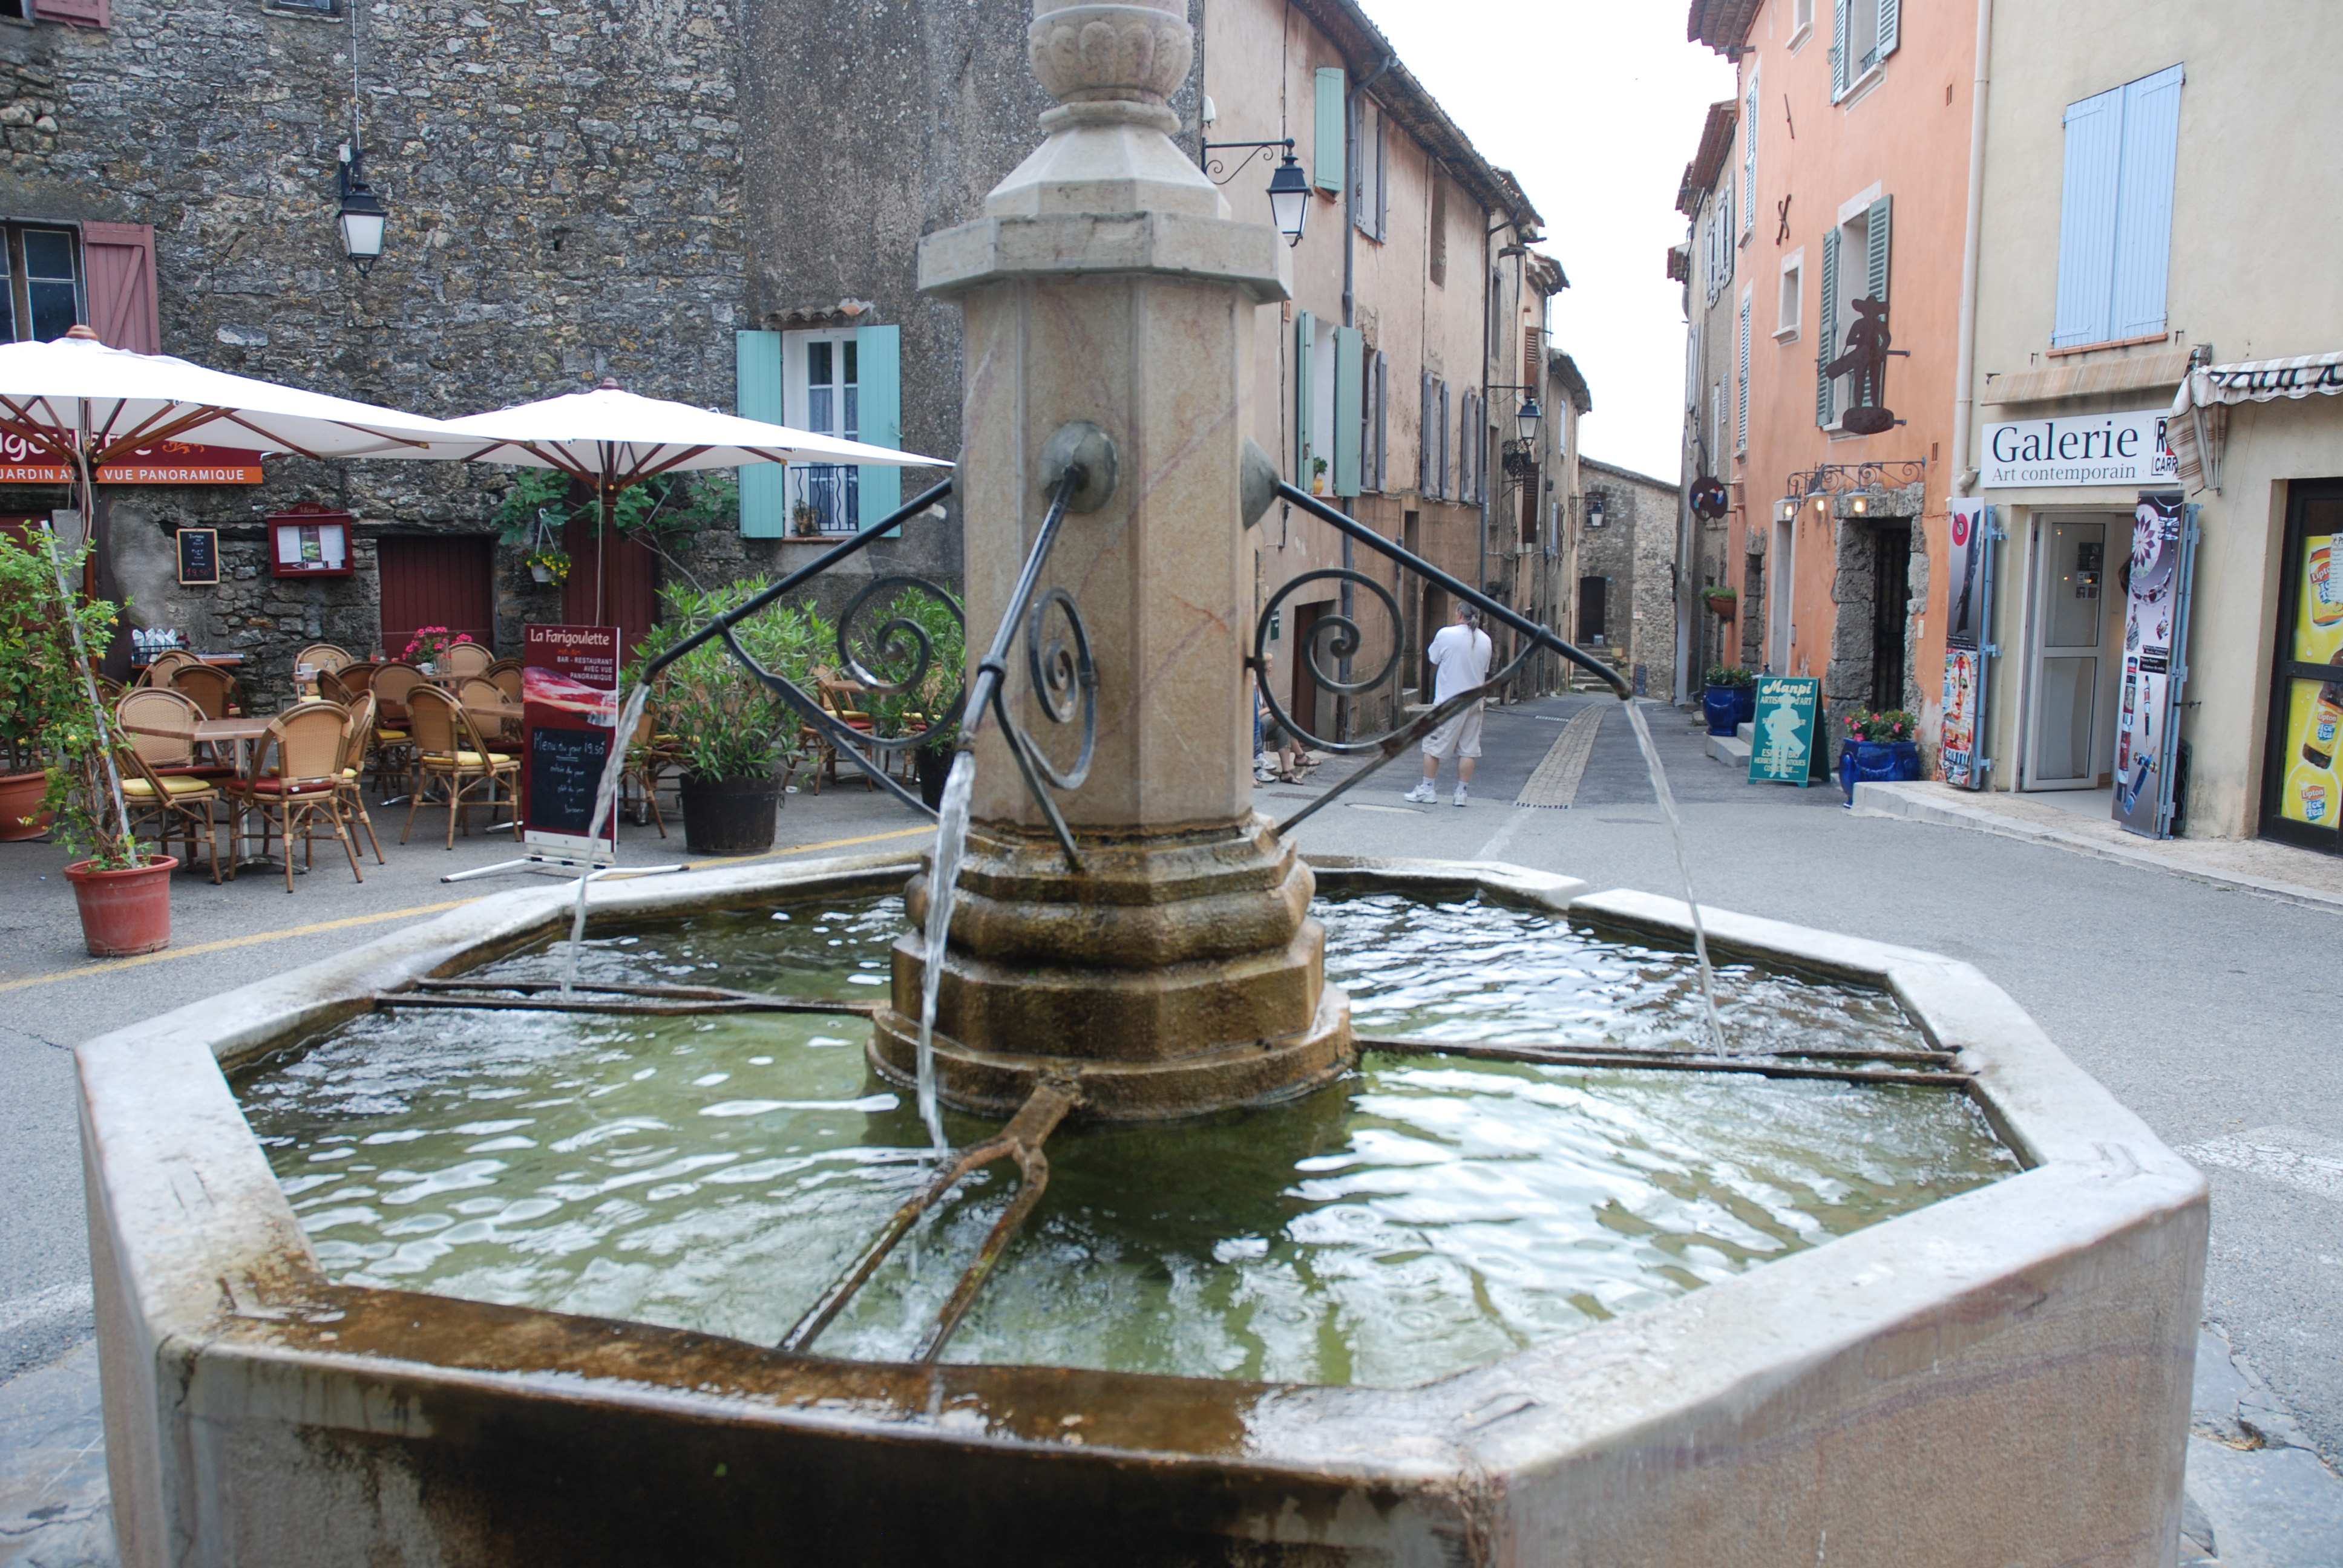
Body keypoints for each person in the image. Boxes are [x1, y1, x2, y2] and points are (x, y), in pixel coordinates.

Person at [1407, 604, 1493, 806]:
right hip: (1474, 700)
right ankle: (1461, 793)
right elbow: (1485, 669)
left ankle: (1427, 788)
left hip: (1450, 701)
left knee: (1432, 746)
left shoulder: (1446, 634)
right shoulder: (1486, 640)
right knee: (1469, 749)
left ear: (1460, 614)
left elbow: (1434, 657)